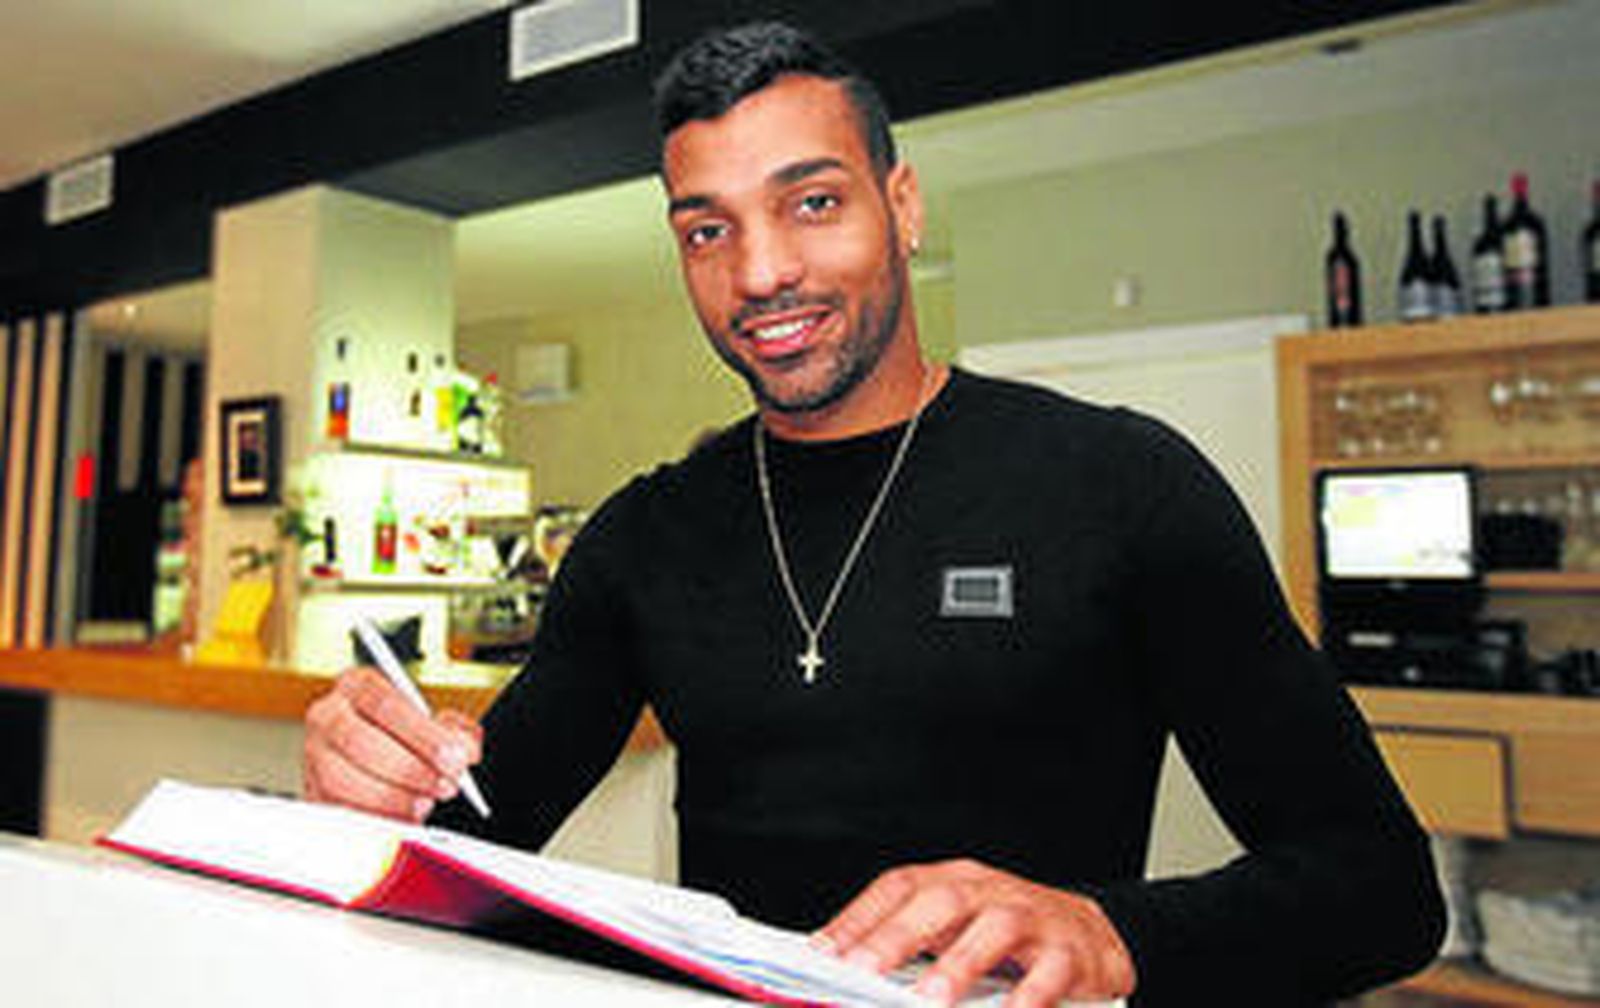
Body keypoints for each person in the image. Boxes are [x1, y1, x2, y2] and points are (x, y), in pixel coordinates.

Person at [304, 21, 1443, 1007]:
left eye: (809, 203)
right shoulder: (640, 541)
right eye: (708, 229)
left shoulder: (1121, 485)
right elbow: (468, 844)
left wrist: (1115, 932)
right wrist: (373, 789)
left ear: (900, 207)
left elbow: (1382, 889)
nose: (760, 273)